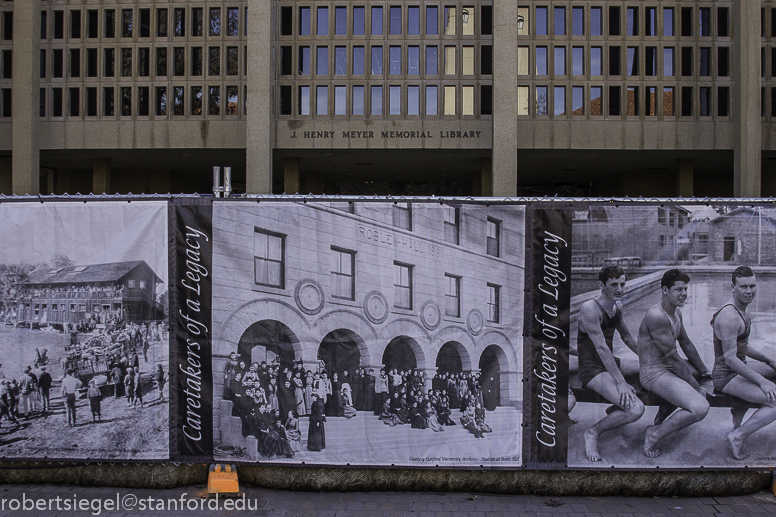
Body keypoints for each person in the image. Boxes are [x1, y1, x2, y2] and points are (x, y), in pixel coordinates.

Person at [638, 269, 713, 458]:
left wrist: (705, 373)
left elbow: (686, 343)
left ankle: (663, 414)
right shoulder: (657, 316)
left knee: (699, 374)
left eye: (685, 289)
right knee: (700, 407)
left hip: (668, 369)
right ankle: (654, 433)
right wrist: (697, 388)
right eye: (678, 290)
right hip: (653, 373)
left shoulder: (675, 312)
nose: (684, 294)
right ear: (665, 290)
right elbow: (673, 357)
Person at [577, 265, 645, 462]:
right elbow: (601, 349)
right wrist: (621, 382)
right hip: (591, 369)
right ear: (601, 285)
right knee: (635, 409)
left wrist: (649, 360)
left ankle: (615, 409)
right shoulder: (590, 308)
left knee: (653, 371)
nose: (620, 289)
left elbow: (627, 338)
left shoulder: (617, 306)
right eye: (614, 284)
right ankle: (593, 432)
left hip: (609, 363)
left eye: (622, 284)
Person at [711, 266, 776, 459]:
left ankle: (738, 417)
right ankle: (738, 435)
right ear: (733, 287)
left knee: (774, 371)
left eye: (752, 286)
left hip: (738, 368)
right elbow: (730, 359)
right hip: (726, 376)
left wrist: (768, 360)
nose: (749, 291)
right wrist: (761, 381)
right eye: (743, 287)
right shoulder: (729, 316)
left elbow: (741, 347)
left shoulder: (742, 310)